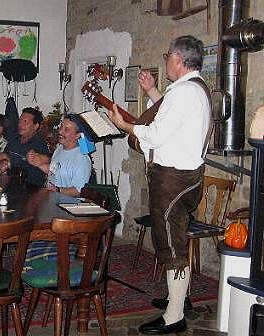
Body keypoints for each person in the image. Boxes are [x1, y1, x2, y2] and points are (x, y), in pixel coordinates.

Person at [108, 35, 210, 334]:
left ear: (178, 59)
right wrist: (152, 90)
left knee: (170, 243)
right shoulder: (193, 89)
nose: (166, 60)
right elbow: (172, 118)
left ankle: (174, 316)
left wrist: (124, 125)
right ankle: (179, 298)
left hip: (174, 180)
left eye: (168, 55)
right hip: (184, 178)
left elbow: (155, 134)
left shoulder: (184, 93)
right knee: (172, 237)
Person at [26, 115, 92, 196]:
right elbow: (55, 171)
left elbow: (79, 190)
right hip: (51, 200)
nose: (60, 131)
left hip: (67, 205)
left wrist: (58, 190)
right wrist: (37, 163)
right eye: (61, 126)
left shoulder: (82, 159)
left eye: (66, 129)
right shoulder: (59, 149)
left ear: (77, 135)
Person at [0, 107, 49, 187]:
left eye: (25, 122)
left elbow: (26, 167)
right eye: (20, 121)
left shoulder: (39, 144)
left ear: (36, 126)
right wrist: (3, 162)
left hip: (30, 190)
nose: (20, 124)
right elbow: (5, 157)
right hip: (11, 186)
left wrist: (8, 158)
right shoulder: (15, 139)